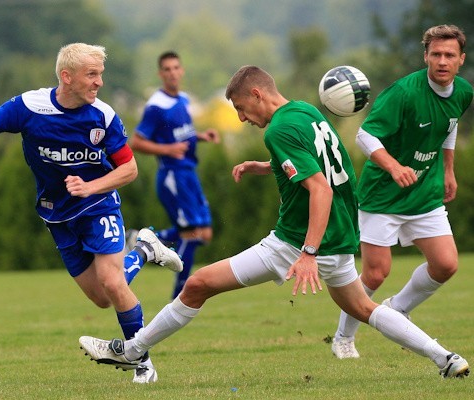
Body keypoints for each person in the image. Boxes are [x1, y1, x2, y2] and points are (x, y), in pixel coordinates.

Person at [78, 65, 470, 379]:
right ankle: (445, 357)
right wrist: (268, 168)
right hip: (341, 236)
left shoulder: (279, 129)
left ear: (256, 94)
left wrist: (307, 254)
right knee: (365, 309)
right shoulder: (304, 110)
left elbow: (321, 189)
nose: (242, 118)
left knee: (197, 284)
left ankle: (131, 350)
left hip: (295, 243)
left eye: (240, 108)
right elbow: (323, 165)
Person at [0, 43, 183, 384]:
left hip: (98, 206)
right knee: (101, 298)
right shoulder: (28, 107)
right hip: (56, 215)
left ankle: (142, 363)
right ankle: (144, 249)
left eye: (100, 75)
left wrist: (91, 188)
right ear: (67, 77)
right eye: (91, 75)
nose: (99, 83)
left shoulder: (104, 117)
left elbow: (130, 170)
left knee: (112, 282)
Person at [331, 24, 473, 359]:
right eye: (435, 54)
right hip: (382, 196)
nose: (441, 60)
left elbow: (447, 128)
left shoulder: (464, 92)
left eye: (449, 55)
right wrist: (394, 167)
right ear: (425, 56)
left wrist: (448, 171)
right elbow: (365, 136)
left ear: (461, 59)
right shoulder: (404, 92)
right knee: (376, 273)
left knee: (446, 264)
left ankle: (398, 309)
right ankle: (343, 337)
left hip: (424, 193)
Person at [129, 51, 220, 299]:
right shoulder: (156, 106)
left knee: (204, 235)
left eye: (176, 68)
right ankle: (180, 298)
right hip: (172, 176)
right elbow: (136, 142)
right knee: (191, 235)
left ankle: (140, 240)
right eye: (167, 69)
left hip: (188, 173)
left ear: (182, 71)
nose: (172, 73)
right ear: (161, 74)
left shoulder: (182, 99)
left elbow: (180, 134)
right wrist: (167, 149)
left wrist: (200, 136)